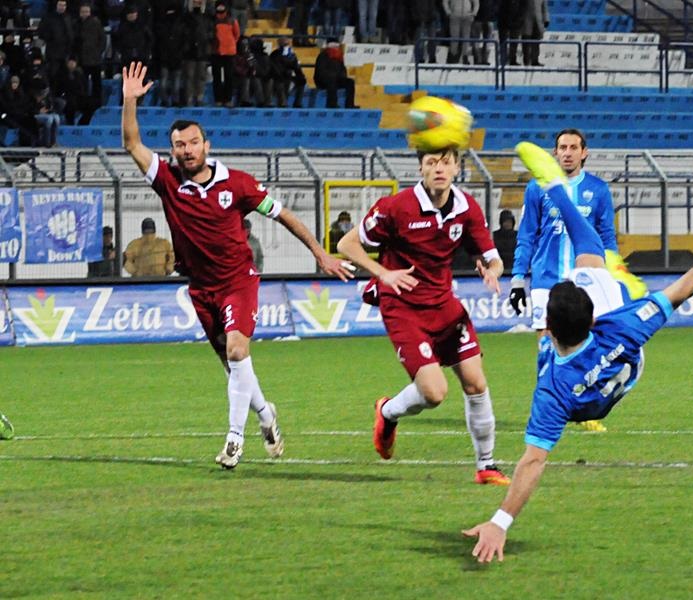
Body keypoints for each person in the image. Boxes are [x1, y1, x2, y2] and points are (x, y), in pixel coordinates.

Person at [463, 141, 693, 562]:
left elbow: (533, 462)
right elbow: (685, 286)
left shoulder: (550, 389)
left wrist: (500, 523)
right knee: (596, 265)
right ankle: (582, 226)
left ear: (547, 328)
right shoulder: (622, 328)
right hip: (623, 365)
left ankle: (559, 195)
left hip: (576, 397)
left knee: (588, 267)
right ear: (591, 322)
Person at [121, 61, 354, 468]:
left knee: (236, 348)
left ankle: (233, 440)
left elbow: (284, 215)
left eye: (193, 142)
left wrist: (319, 252)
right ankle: (266, 415)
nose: (186, 150)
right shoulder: (167, 180)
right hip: (201, 287)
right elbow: (131, 144)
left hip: (238, 280)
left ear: (207, 145)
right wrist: (129, 102)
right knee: (235, 368)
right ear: (173, 149)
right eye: (179, 144)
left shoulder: (239, 184)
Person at [337, 146, 510, 486]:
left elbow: (493, 256)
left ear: (457, 168)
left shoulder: (466, 208)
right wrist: (382, 273)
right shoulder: (395, 207)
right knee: (433, 393)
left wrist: (492, 270)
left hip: (444, 304)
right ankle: (387, 412)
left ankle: (486, 466)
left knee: (475, 381)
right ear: (421, 169)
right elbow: (347, 244)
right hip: (402, 307)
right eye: (431, 162)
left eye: (446, 162)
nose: (439, 169)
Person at [509, 129, 645, 432]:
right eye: (561, 147)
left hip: (587, 279)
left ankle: (586, 405)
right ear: (555, 152)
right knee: (546, 343)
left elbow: (607, 236)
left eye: (573, 147)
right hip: (547, 278)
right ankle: (546, 405)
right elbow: (527, 234)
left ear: (584, 152)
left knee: (589, 343)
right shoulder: (536, 188)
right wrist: (518, 277)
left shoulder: (597, 189)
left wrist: (615, 272)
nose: (567, 152)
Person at [313, 39, 357, 109]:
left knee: (350, 82)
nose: (337, 48)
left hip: (336, 79)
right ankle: (332, 104)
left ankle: (349, 104)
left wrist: (342, 77)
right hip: (322, 80)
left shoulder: (339, 57)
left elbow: (343, 70)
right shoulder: (323, 56)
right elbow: (320, 71)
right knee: (331, 80)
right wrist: (332, 76)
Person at [211, 1, 240, 107]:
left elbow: (237, 35)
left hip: (229, 53)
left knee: (229, 77)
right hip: (215, 52)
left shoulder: (232, 21)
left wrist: (230, 45)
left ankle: (228, 99)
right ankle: (218, 99)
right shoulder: (212, 21)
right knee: (217, 77)